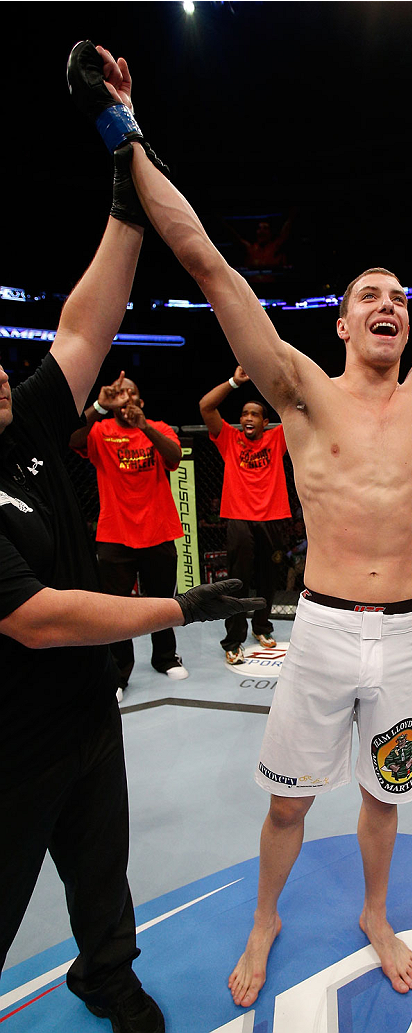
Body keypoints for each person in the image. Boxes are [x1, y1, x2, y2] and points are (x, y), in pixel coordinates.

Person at [96, 50, 412, 1005]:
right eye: (369, 295)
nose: (390, 303)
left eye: (401, 296)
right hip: (324, 628)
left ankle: (376, 911)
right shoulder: (299, 394)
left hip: (410, 632)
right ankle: (265, 914)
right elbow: (206, 260)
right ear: (337, 324)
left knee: (386, 793)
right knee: (290, 799)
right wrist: (125, 134)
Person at [0, 42, 263, 1033]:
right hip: (9, 734)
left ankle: (105, 971)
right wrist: (183, 608)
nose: (2, 376)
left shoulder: (23, 419)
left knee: (101, 864)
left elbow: (85, 327)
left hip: (81, 707)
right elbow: (34, 617)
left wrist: (123, 179)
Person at [70, 373, 189, 696]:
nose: (125, 400)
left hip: (159, 530)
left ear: (140, 402)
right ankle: (119, 673)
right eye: (118, 396)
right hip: (115, 533)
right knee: (114, 608)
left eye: (130, 394)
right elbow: (71, 439)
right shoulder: (100, 431)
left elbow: (174, 457)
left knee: (162, 601)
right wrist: (97, 405)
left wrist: (144, 426)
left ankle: (164, 657)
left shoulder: (159, 428)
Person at [199, 366, 291, 663]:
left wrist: (271, 381)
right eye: (244, 414)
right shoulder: (229, 438)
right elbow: (206, 406)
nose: (248, 418)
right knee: (237, 582)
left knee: (268, 578)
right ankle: (233, 640)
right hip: (239, 518)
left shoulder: (277, 439)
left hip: (273, 518)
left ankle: (261, 626)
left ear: (266, 422)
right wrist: (233, 382)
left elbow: (296, 409)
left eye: (254, 414)